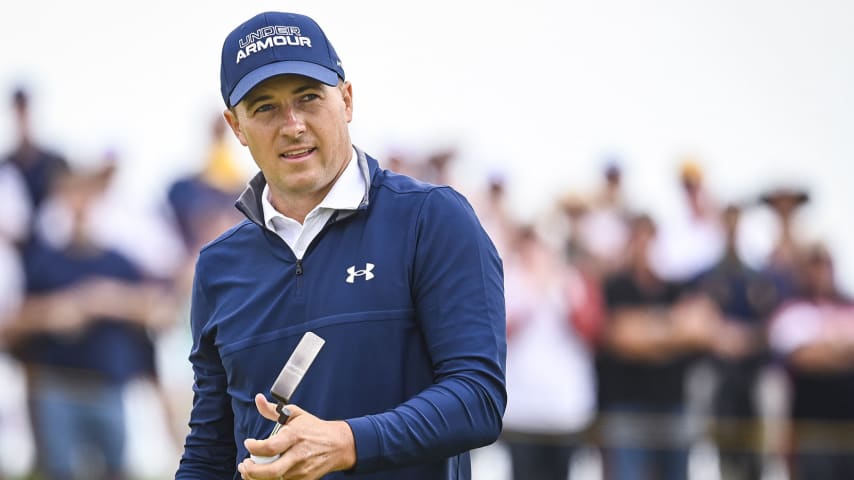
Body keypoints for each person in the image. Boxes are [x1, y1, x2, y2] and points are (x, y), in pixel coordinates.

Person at [175, 11, 506, 480]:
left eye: (309, 98)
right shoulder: (218, 266)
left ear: (346, 100)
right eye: (265, 107)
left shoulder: (431, 218)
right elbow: (209, 451)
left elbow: (478, 399)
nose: (292, 125)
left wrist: (347, 443)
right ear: (236, 127)